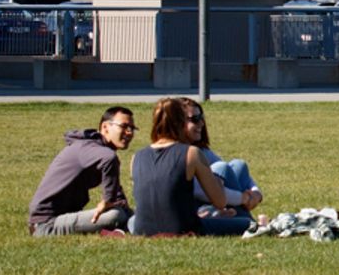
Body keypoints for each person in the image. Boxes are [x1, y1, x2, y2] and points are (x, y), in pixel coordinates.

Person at [127, 96, 255, 237]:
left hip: (142, 229)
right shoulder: (191, 153)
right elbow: (220, 201)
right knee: (246, 223)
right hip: (183, 228)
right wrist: (218, 181)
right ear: (182, 123)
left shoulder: (136, 157)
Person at [28, 105, 135, 236]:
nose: (129, 132)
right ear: (105, 127)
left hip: (62, 217)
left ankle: (119, 230)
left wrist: (130, 212)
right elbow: (109, 158)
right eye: (124, 126)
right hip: (46, 224)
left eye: (132, 128)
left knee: (127, 214)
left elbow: (116, 192)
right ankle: (116, 230)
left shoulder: (96, 151)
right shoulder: (90, 149)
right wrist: (108, 201)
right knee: (115, 215)